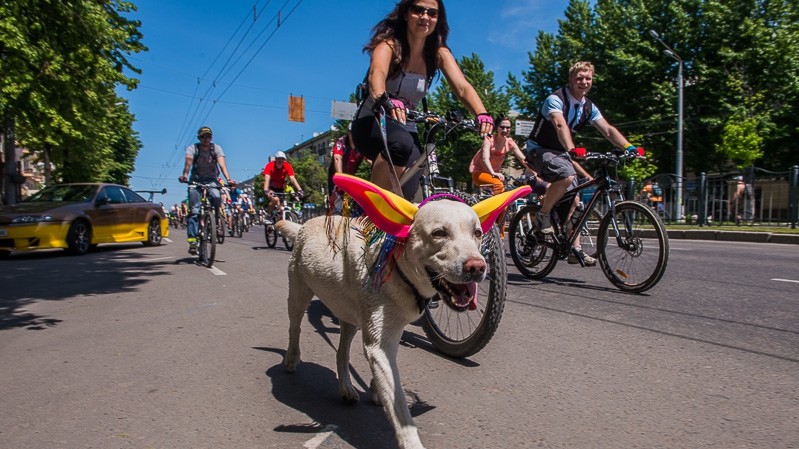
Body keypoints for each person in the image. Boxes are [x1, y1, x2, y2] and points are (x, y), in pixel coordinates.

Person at [350, 0, 494, 200]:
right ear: (406, 14)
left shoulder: (438, 53)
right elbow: (377, 75)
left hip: (406, 127)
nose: (425, 17)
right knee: (400, 144)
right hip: (372, 122)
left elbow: (462, 87)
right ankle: (370, 212)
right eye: (418, 10)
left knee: (410, 187)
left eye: (432, 13)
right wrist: (386, 100)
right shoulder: (388, 45)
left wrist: (482, 114)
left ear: (438, 18)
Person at [526, 61, 640, 267]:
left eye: (588, 78)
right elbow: (560, 124)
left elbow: (607, 130)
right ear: (571, 80)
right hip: (540, 150)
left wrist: (629, 147)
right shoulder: (555, 99)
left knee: (575, 202)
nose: (584, 82)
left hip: (561, 153)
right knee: (567, 175)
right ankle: (543, 216)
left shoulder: (589, 107)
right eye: (579, 78)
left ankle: (574, 250)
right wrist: (572, 149)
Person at [469, 115, 531, 236]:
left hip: (494, 176)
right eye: (502, 127)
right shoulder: (489, 140)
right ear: (497, 128)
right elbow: (485, 158)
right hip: (480, 173)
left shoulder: (509, 143)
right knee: (500, 194)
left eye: (508, 128)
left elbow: (523, 159)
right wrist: (492, 172)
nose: (505, 130)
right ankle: (495, 221)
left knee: (505, 205)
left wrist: (535, 171)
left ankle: (499, 234)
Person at [179, 126, 234, 255]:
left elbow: (222, 165)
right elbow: (188, 164)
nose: (206, 139)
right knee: (194, 210)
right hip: (195, 180)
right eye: (203, 136)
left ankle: (214, 221)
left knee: (216, 196)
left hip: (211, 180)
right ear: (199, 137)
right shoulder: (193, 148)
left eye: (208, 136)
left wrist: (229, 179)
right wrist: (185, 175)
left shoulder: (216, 148)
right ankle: (192, 240)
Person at [327, 131, 369, 212]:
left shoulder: (361, 144)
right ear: (348, 133)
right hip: (336, 176)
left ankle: (348, 213)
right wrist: (340, 178)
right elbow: (337, 158)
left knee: (349, 204)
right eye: (352, 133)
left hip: (349, 176)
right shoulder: (341, 142)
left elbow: (370, 159)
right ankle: (335, 213)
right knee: (337, 205)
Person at [262, 151, 303, 220]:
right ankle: (268, 215)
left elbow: (292, 179)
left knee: (281, 208)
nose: (280, 161)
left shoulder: (287, 166)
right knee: (275, 199)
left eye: (282, 159)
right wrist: (266, 190)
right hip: (271, 188)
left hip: (281, 188)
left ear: (284, 160)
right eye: (278, 159)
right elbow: (267, 179)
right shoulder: (270, 165)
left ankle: (281, 220)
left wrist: (300, 190)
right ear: (275, 159)